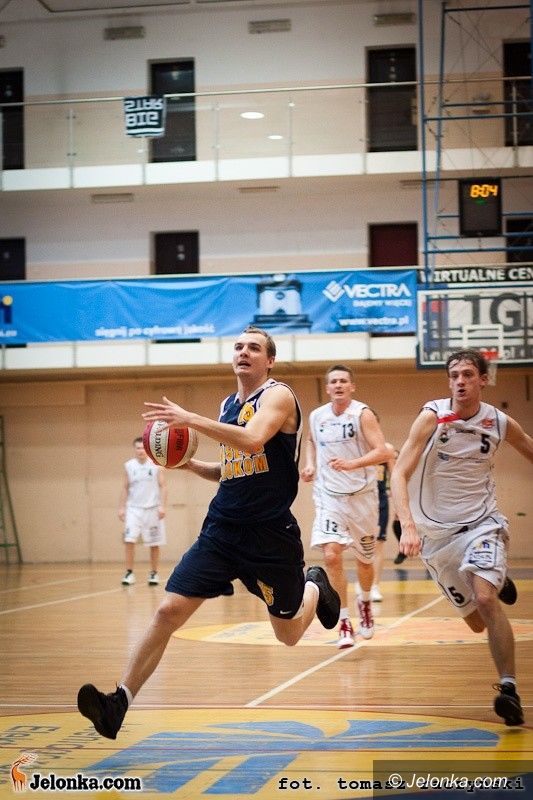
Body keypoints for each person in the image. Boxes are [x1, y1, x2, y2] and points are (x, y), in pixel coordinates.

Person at [77, 326, 340, 739]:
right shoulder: (227, 405)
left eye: (254, 347)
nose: (244, 352)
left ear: (269, 360)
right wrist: (189, 465)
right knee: (168, 611)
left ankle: (314, 587)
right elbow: (231, 468)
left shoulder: (278, 396)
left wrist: (189, 419)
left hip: (270, 536)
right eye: (238, 346)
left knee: (288, 635)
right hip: (222, 530)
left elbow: (252, 441)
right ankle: (118, 702)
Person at [391, 349, 532, 727]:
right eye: (454, 375)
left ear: (483, 379)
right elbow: (399, 473)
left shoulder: (499, 422)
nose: (460, 381)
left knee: (485, 598)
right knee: (475, 622)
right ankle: (495, 578)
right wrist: (407, 525)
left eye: (468, 374)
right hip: (437, 539)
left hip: (482, 524)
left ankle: (509, 689)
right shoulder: (432, 417)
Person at [300, 364, 389, 649]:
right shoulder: (317, 416)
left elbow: (382, 451)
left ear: (352, 386)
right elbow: (311, 441)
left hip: (362, 496)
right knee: (331, 555)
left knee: (365, 560)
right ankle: (344, 621)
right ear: (327, 388)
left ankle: (365, 602)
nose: (338, 385)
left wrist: (352, 464)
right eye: (333, 381)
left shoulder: (362, 414)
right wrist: (310, 464)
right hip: (329, 495)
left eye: (343, 381)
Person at [119, 436, 167, 586]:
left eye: (143, 448)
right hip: (133, 509)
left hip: (152, 509)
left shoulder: (156, 465)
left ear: (147, 449)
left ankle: (153, 573)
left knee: (154, 542)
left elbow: (163, 486)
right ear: (135, 449)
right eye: (138, 448)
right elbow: (125, 487)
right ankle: (129, 573)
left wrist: (162, 506)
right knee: (129, 540)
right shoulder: (129, 466)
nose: (141, 450)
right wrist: (121, 507)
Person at [371, 442, 397, 600]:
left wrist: (399, 505)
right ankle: (364, 580)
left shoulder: (387, 448)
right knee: (362, 544)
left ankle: (374, 585)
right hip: (360, 499)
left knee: (378, 543)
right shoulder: (355, 445)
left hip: (380, 500)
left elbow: (395, 475)